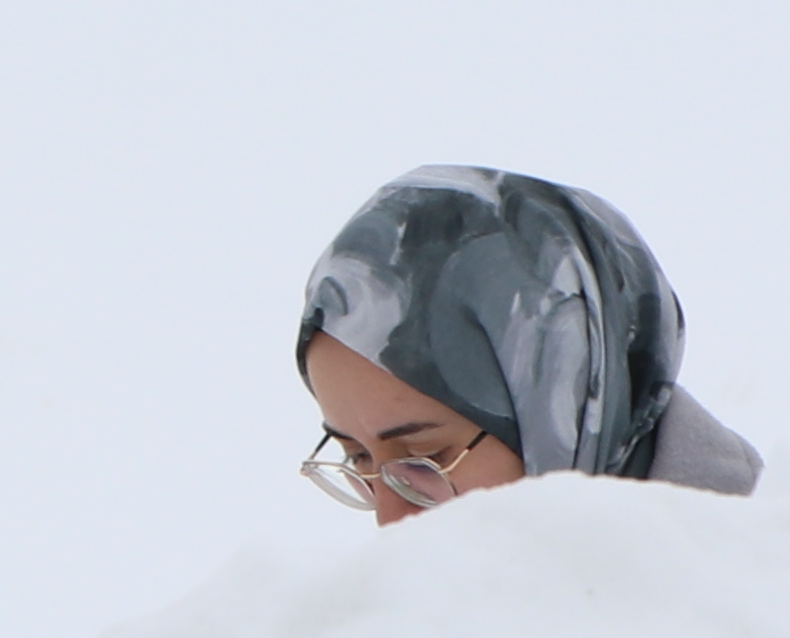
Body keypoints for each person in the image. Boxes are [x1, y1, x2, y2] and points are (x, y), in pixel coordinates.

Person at [296, 167, 762, 521]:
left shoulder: (779, 613)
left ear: (567, 400)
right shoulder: (435, 629)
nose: (390, 519)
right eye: (357, 457)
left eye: (426, 459)